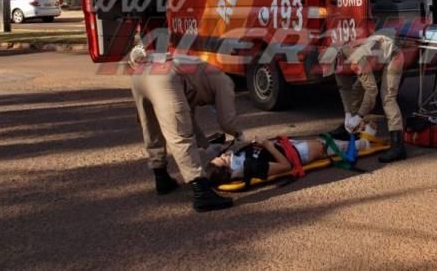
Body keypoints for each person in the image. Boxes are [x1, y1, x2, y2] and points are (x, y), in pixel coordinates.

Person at [128, 46, 244, 212]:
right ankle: (202, 192)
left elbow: (188, 118)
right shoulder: (225, 80)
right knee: (180, 136)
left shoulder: (200, 74)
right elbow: (227, 120)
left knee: (151, 127)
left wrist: (207, 146)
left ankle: (161, 177)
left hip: (140, 75)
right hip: (165, 76)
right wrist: (239, 134)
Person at [335, 32, 407, 163]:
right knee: (356, 88)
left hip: (393, 56)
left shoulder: (357, 59)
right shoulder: (335, 60)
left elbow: (372, 90)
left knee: (388, 98)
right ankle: (351, 129)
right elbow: (344, 89)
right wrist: (348, 114)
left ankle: (398, 146)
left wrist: (359, 116)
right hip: (376, 57)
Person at [207, 133, 374, 185]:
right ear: (227, 170)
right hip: (297, 153)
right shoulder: (251, 166)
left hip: (288, 146)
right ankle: (364, 142)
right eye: (222, 160)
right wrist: (267, 144)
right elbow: (285, 166)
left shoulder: (240, 160)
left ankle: (361, 139)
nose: (223, 156)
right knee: (326, 145)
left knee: (328, 143)